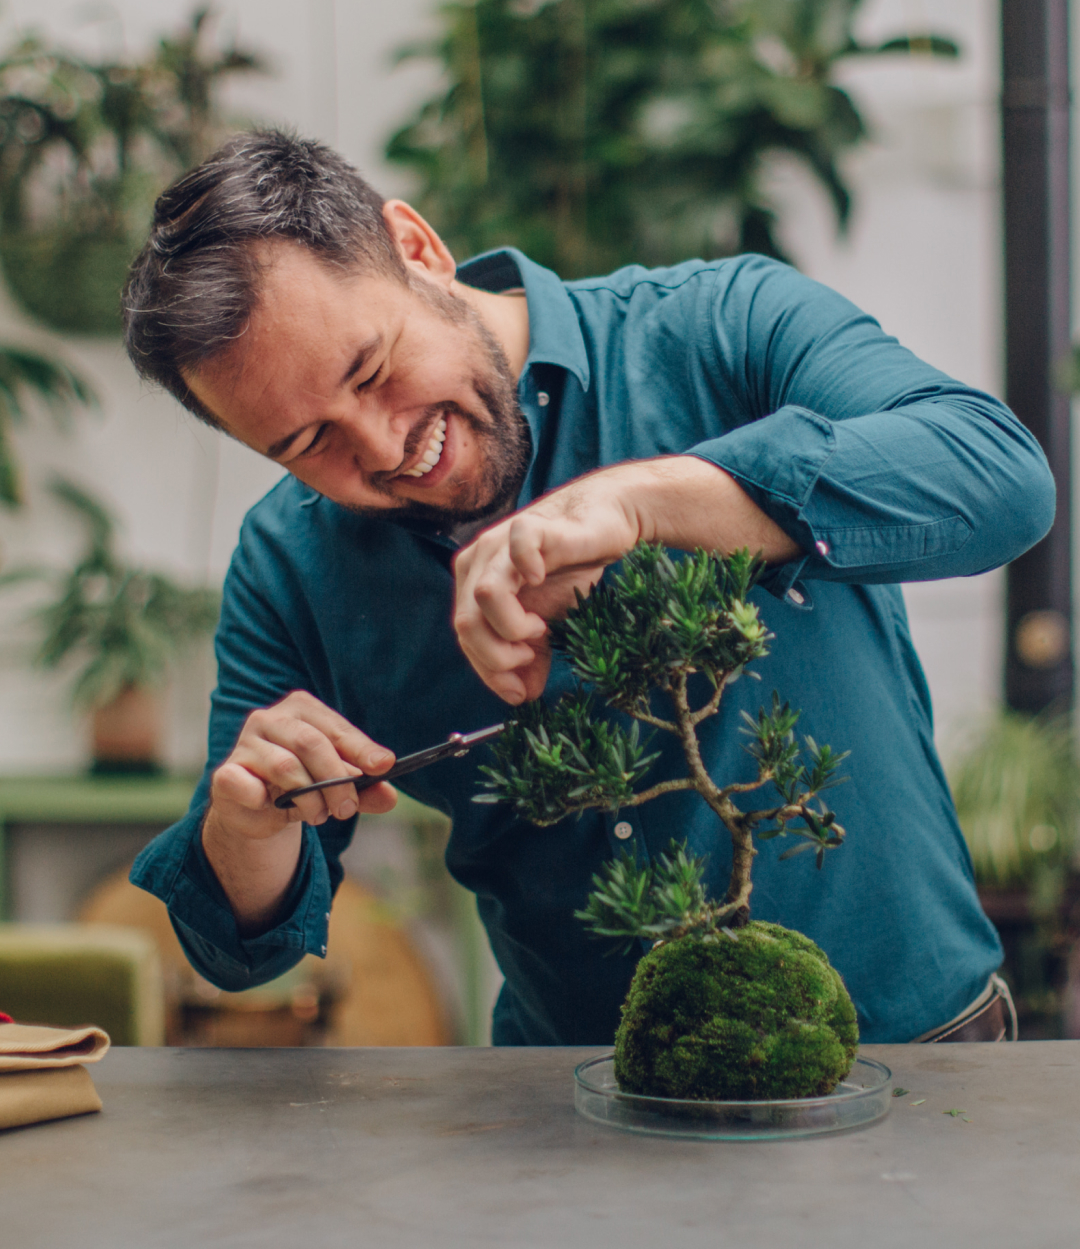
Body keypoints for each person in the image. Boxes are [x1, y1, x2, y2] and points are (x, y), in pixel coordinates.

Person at [125, 129, 1052, 1046]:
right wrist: (249, 832)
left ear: (416, 248)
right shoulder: (290, 563)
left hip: (909, 1053)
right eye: (307, 444)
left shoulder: (722, 328)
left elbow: (1000, 478)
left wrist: (651, 500)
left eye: (371, 371)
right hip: (570, 1096)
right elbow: (238, 950)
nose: (383, 448)